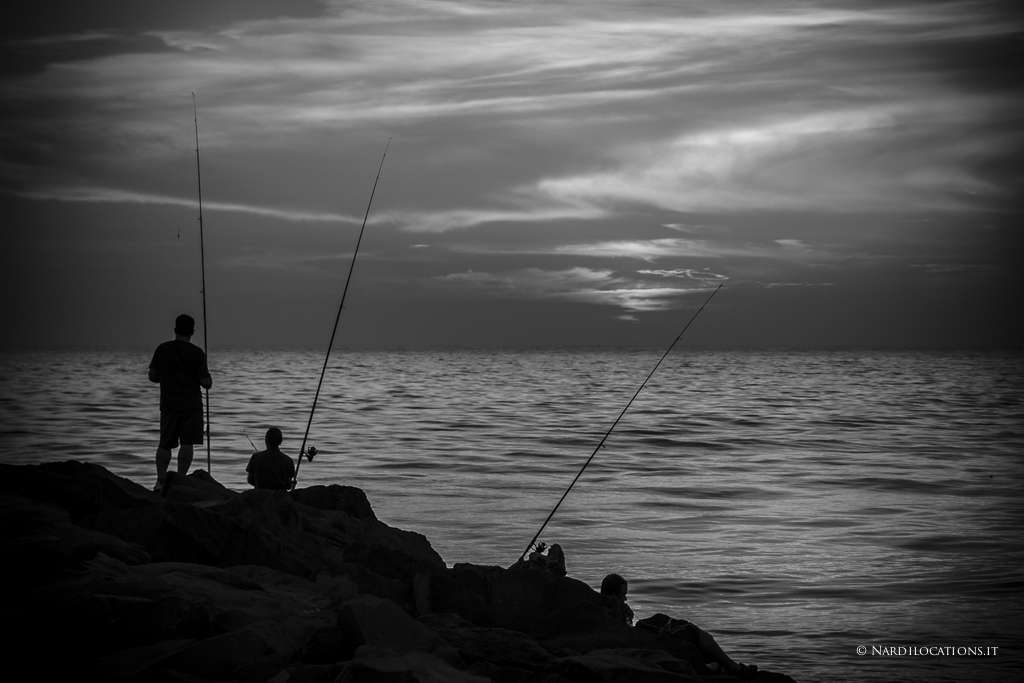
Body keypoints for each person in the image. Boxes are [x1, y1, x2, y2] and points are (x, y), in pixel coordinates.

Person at [600, 573, 758, 679]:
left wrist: (628, 617)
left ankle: (718, 665)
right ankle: (729, 667)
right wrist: (627, 618)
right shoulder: (610, 611)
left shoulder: (602, 610)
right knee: (687, 629)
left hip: (635, 642)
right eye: (623, 595)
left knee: (673, 625)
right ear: (614, 596)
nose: (626, 599)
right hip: (639, 644)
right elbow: (624, 634)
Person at [148, 314, 212, 492]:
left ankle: (160, 481)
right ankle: (180, 479)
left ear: (175, 329)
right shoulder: (197, 353)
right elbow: (205, 382)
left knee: (165, 443)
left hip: (169, 404)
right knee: (187, 443)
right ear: (192, 331)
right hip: (191, 405)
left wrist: (167, 377)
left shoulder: (163, 349)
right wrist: (209, 380)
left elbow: (152, 376)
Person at [246, 427, 296, 491]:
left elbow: (250, 480)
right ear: (281, 441)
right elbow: (288, 486)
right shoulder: (288, 461)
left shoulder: (255, 457)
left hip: (260, 495)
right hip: (280, 496)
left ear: (266, 440)